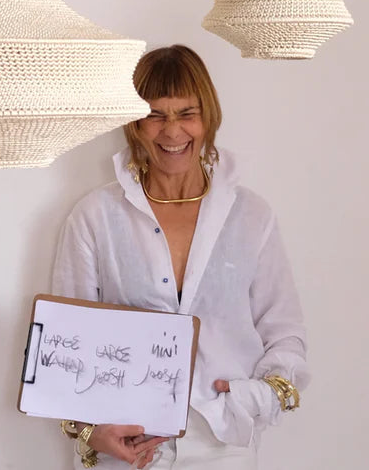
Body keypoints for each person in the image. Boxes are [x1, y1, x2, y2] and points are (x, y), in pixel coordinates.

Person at [51, 45, 308, 468]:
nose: (172, 132)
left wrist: (254, 398)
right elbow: (66, 342)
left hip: (222, 445)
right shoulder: (95, 216)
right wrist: (91, 431)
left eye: (187, 113)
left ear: (209, 118)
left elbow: (285, 331)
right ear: (135, 124)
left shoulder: (251, 215)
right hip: (126, 449)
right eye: (155, 115)